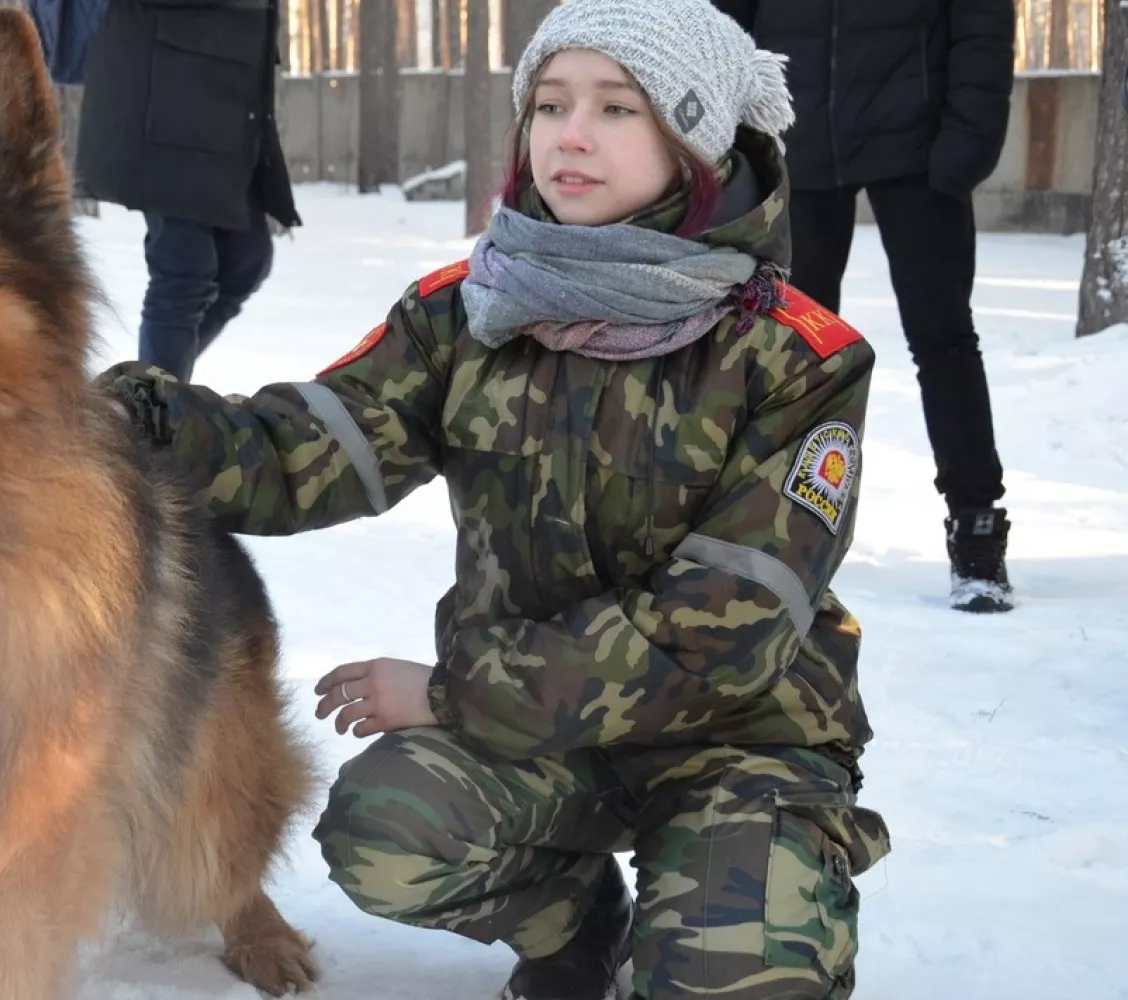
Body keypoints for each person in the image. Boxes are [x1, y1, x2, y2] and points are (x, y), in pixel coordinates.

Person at [97, 0, 892, 997]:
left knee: (728, 971)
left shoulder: (795, 359)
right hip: (541, 737)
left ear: (696, 140)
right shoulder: (466, 314)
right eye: (549, 104)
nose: (570, 133)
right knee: (388, 831)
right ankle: (574, 919)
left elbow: (719, 634)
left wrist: (451, 692)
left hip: (738, 745)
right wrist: (139, 422)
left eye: (616, 109)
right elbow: (309, 447)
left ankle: (711, 904)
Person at [713, 0, 1018, 613]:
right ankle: (779, 526)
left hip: (919, 155)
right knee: (792, 355)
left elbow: (981, 26)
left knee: (944, 340)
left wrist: (966, 146)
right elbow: (726, 24)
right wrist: (739, 140)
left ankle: (976, 523)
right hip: (798, 152)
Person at [74, 0, 300, 383]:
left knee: (247, 259)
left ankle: (150, 397)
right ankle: (154, 422)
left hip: (228, 77)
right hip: (162, 76)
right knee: (184, 269)